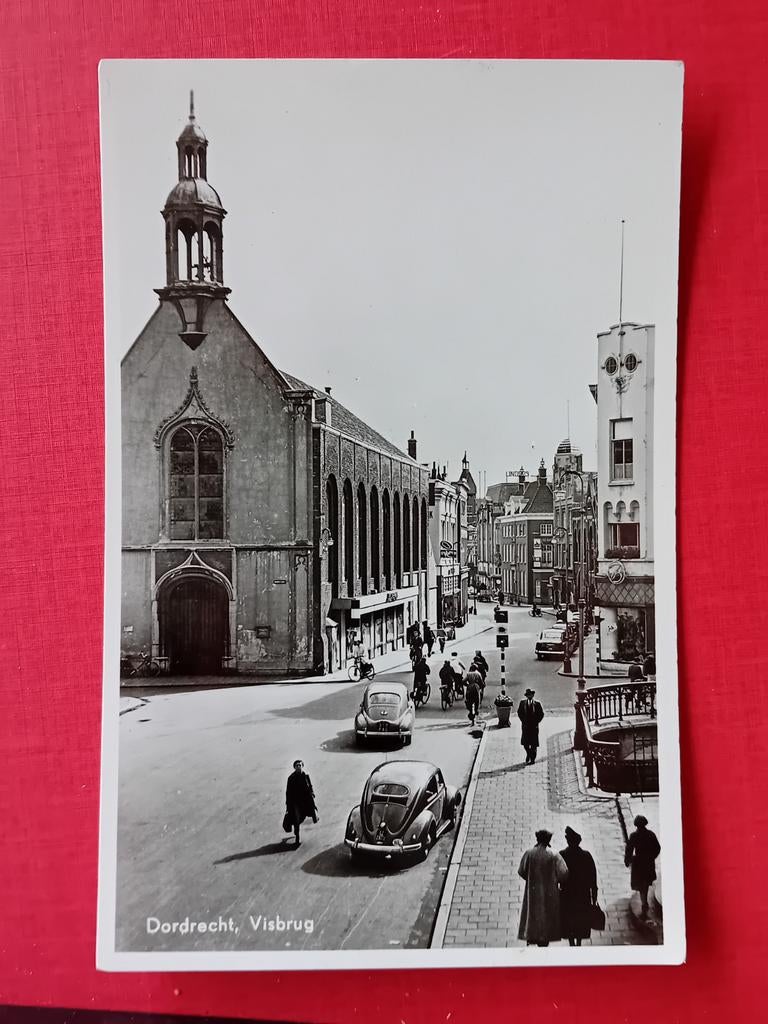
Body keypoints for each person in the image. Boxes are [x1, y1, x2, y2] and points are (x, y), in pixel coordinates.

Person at [518, 829, 568, 946]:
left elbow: (521, 871)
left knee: (533, 914)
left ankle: (532, 937)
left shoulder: (529, 853)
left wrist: (531, 878)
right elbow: (564, 873)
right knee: (546, 915)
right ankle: (543, 940)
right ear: (548, 840)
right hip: (549, 893)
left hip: (533, 891)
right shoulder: (554, 854)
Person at [559, 826, 598, 946]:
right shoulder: (586, 855)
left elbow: (557, 875)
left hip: (567, 894)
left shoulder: (562, 855)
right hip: (582, 894)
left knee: (569, 918)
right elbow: (593, 877)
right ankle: (579, 942)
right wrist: (594, 896)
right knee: (581, 918)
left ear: (568, 841)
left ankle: (571, 943)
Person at [625, 815, 661, 917]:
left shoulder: (634, 836)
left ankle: (644, 901)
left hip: (639, 863)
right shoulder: (651, 835)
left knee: (641, 884)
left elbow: (629, 849)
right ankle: (644, 901)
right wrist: (652, 856)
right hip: (648, 862)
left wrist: (627, 860)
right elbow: (657, 848)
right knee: (645, 882)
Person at [284, 760, 318, 847]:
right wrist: (288, 804)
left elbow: (310, 786)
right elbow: (288, 792)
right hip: (295, 802)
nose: (298, 767)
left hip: (305, 800)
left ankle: (315, 817)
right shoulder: (291, 778)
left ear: (302, 766)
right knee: (296, 819)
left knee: (309, 812)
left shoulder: (306, 776)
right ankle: (297, 837)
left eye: (300, 765)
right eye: (297, 765)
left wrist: (312, 792)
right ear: (294, 767)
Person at [518, 687, 545, 764]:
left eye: (531, 695)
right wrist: (523, 721)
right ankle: (528, 754)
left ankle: (532, 759)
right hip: (525, 726)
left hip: (534, 727)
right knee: (525, 744)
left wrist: (537, 722)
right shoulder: (522, 703)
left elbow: (541, 714)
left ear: (533, 695)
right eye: (528, 695)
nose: (530, 696)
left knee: (534, 744)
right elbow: (519, 713)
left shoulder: (537, 704)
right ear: (526, 696)